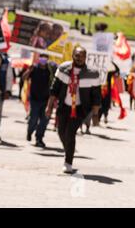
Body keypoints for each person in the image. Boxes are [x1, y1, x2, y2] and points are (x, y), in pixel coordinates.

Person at [46, 46, 101, 174]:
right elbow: (54, 90)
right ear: (72, 56)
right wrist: (49, 107)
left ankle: (68, 162)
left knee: (70, 133)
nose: (79, 58)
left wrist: (95, 114)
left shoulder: (93, 74)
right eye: (77, 55)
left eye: (82, 56)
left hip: (81, 109)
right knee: (61, 132)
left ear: (85, 57)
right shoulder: (63, 69)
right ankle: (69, 150)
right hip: (64, 106)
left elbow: (96, 96)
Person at [22, 54, 54, 148]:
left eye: (45, 58)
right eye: (42, 57)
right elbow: (24, 78)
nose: (43, 59)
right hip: (35, 99)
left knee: (44, 120)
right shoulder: (34, 68)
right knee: (33, 119)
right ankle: (30, 132)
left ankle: (39, 138)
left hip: (46, 100)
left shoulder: (50, 70)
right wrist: (29, 70)